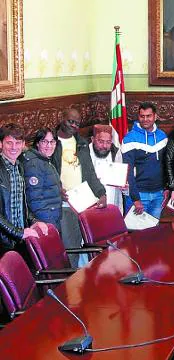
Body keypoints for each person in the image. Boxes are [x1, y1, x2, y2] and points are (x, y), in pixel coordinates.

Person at [52, 109, 107, 266]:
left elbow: (90, 173)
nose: (74, 126)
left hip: (85, 202)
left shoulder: (82, 143)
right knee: (71, 247)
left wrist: (101, 193)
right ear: (61, 118)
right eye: (70, 121)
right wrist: (57, 190)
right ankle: (72, 282)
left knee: (91, 244)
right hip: (65, 205)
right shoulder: (51, 143)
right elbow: (48, 173)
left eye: (77, 123)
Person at [0, 123, 49, 252]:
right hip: (4, 242)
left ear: (23, 145)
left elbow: (21, 206)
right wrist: (19, 232)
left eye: (18, 143)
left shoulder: (20, 166)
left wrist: (34, 222)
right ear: (0, 144)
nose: (13, 147)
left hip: (19, 241)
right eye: (9, 143)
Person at [121, 102, 168, 219]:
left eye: (149, 116)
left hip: (159, 194)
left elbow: (167, 166)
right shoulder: (130, 138)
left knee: (154, 232)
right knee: (136, 234)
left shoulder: (163, 137)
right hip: (139, 195)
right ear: (138, 117)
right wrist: (135, 199)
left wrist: (167, 188)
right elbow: (128, 171)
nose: (145, 119)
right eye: (142, 116)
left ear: (155, 117)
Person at [21, 127, 63, 231]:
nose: (49, 146)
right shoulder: (34, 164)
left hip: (53, 216)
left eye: (52, 141)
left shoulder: (44, 160)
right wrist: (50, 224)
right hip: (45, 222)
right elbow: (34, 200)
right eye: (44, 141)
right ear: (37, 143)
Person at [89, 124, 124, 214]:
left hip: (111, 199)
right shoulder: (85, 152)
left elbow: (121, 177)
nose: (104, 146)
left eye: (108, 142)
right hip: (90, 201)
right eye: (100, 141)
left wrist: (124, 185)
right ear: (92, 139)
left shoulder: (115, 152)